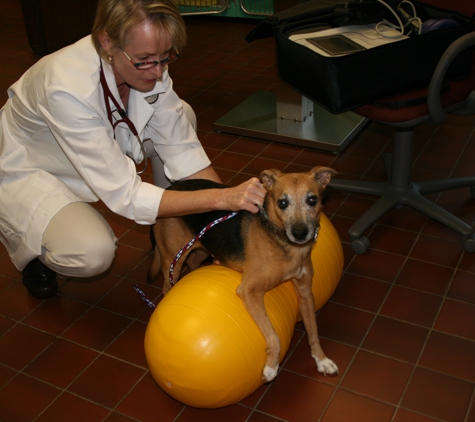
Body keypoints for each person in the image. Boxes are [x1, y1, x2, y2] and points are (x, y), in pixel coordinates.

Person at [0, 0, 266, 299]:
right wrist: (222, 198)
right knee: (92, 252)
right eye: (145, 60)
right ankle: (37, 254)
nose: (156, 72)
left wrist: (222, 235)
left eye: (166, 58)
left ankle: (173, 225)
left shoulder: (148, 65)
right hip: (35, 166)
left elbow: (185, 152)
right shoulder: (66, 86)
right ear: (106, 42)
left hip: (96, 146)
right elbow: (125, 195)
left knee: (184, 116)